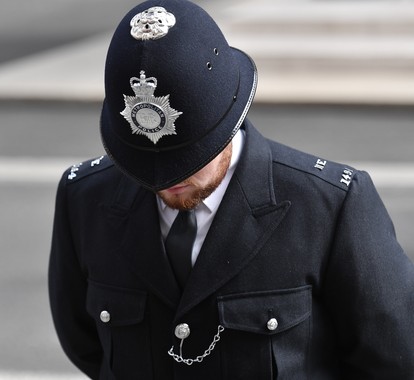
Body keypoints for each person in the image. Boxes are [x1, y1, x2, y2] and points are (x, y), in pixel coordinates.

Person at [48, 0, 414, 378]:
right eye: (144, 164)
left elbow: (395, 361)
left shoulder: (330, 206)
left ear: (231, 117)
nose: (166, 180)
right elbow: (87, 346)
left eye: (190, 157)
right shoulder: (84, 199)